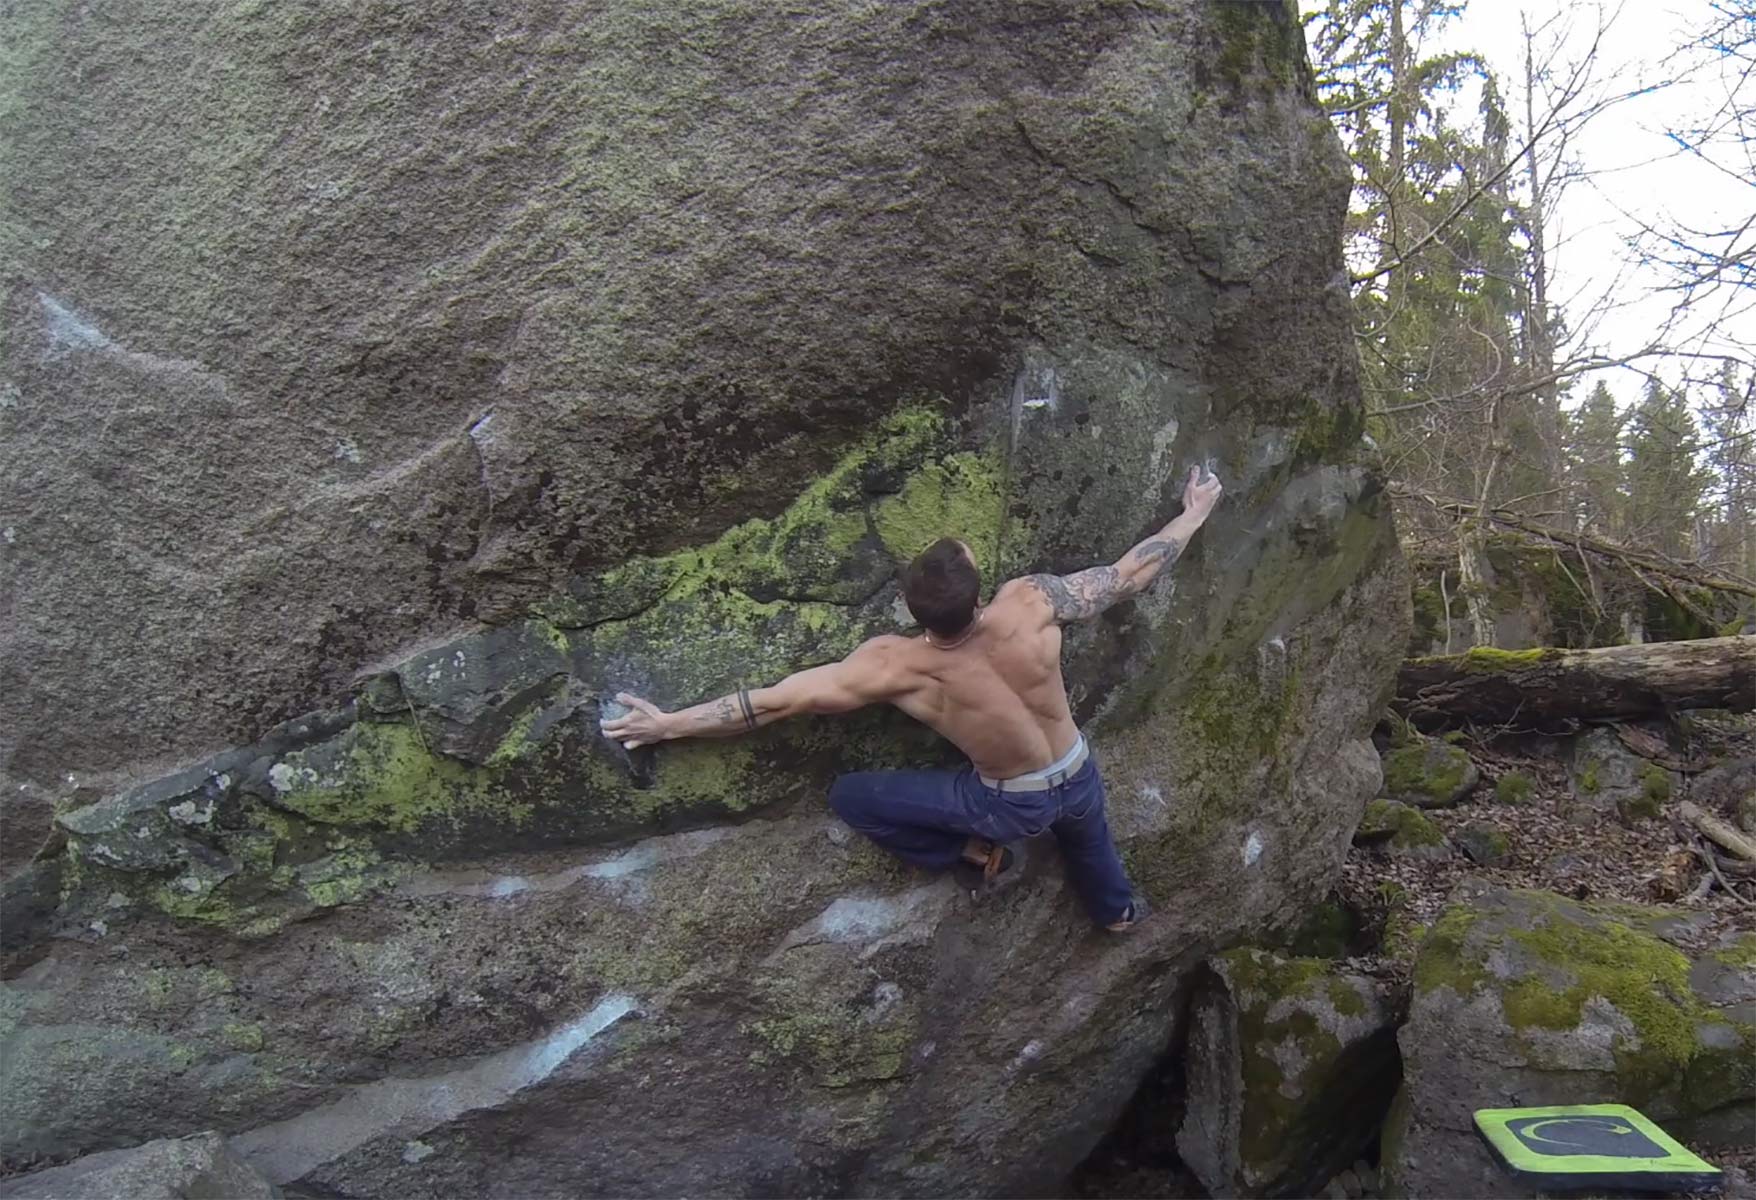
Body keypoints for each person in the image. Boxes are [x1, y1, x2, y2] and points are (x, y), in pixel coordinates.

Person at [601, 465, 1225, 931]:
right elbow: (1127, 576)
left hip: (1008, 807)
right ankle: (1116, 914)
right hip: (1078, 771)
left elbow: (770, 704)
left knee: (851, 796)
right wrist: (1194, 512)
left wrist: (668, 726)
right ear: (978, 591)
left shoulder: (897, 665)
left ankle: (973, 853)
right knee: (1088, 834)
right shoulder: (1032, 602)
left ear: (913, 609)